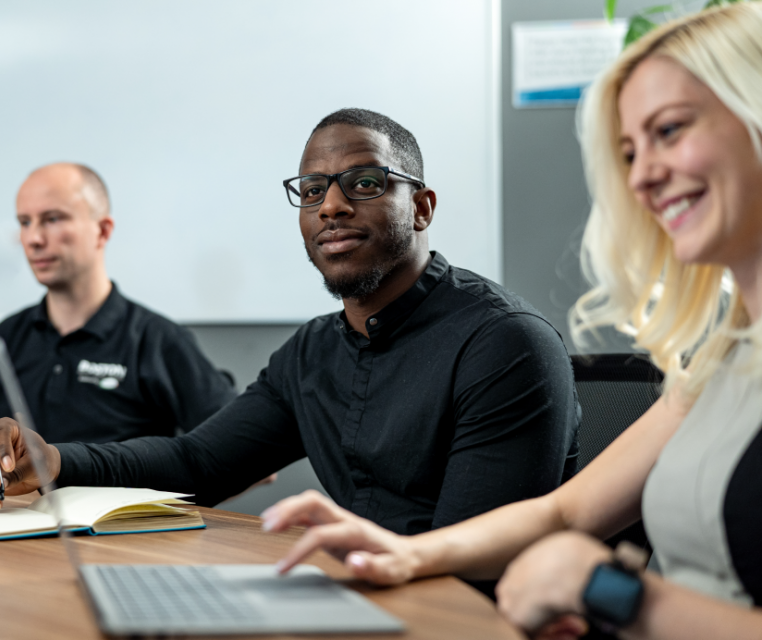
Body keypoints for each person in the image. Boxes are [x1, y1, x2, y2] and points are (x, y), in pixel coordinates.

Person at [260, 5, 762, 639]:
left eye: (670, 130)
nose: (643, 176)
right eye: (630, 151)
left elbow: (585, 560)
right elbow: (564, 514)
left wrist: (611, 591)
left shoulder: (502, 337)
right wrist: (403, 553)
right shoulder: (722, 358)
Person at [0, 109, 581, 545]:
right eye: (312, 191)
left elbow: (470, 564)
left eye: (364, 182)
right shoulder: (311, 354)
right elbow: (197, 462)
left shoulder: (505, 345)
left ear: (420, 207)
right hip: (358, 597)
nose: (331, 205)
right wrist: (55, 460)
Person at [0, 162, 238, 482]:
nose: (33, 238)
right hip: (9, 526)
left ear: (102, 231)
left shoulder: (158, 341)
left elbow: (241, 453)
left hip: (121, 530)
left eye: (52, 219)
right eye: (24, 222)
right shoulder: (4, 339)